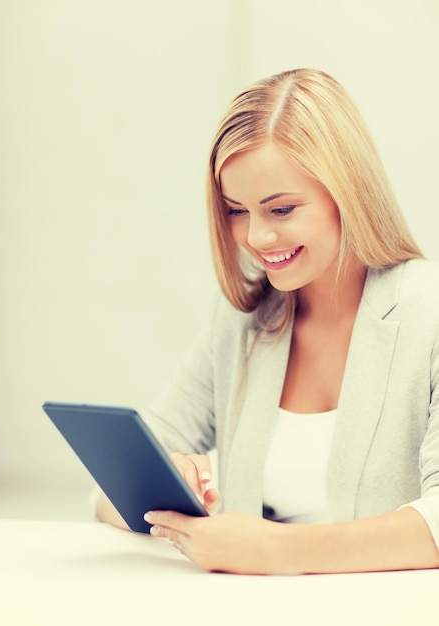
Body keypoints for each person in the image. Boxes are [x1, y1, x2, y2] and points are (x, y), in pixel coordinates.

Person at [95, 68, 439, 574]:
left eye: (280, 209)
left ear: (350, 193)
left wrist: (275, 551)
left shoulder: (425, 312)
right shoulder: (241, 320)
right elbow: (107, 490)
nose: (256, 237)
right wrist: (166, 484)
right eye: (236, 210)